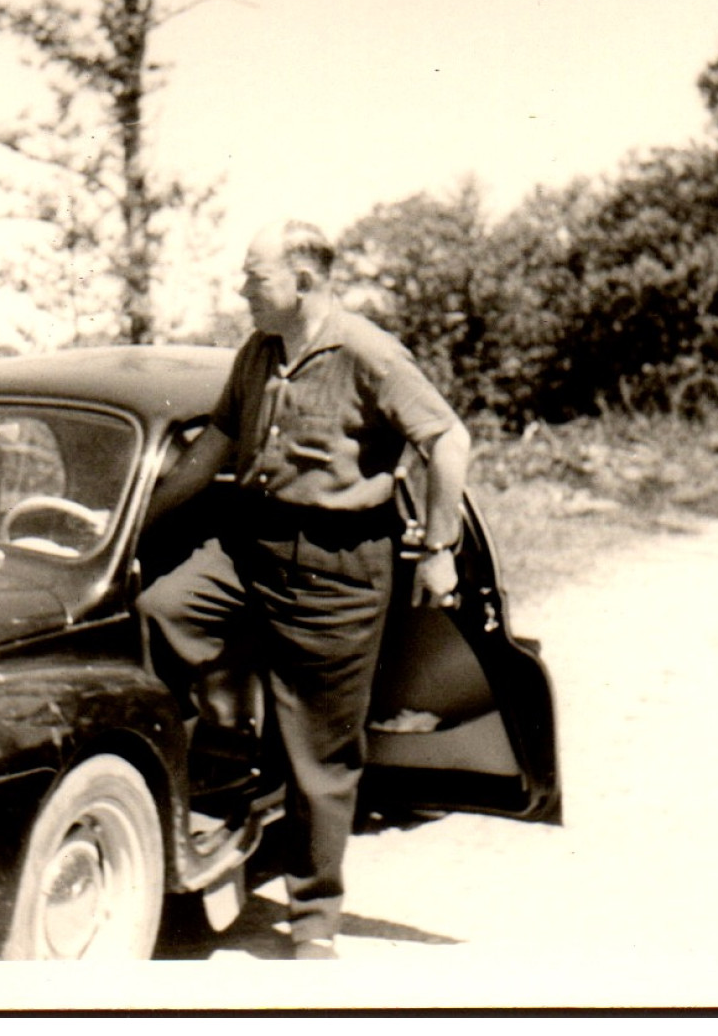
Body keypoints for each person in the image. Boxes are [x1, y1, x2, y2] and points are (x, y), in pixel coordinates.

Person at [138, 218, 471, 960]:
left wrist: (440, 548)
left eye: (253, 278)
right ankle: (192, 800)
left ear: (304, 281)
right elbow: (213, 447)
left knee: (320, 752)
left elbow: (448, 439)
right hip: (249, 547)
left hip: (339, 565)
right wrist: (138, 525)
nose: (240, 289)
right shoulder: (258, 352)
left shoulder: (369, 353)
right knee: (160, 614)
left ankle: (314, 920)